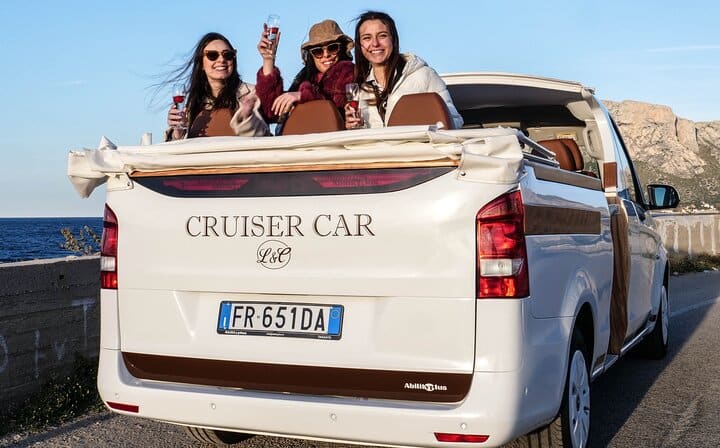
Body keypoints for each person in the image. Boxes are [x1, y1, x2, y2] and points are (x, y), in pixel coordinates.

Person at [345, 11, 463, 130]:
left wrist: (423, 129)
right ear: (360, 45)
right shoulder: (362, 88)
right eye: (367, 38)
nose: (375, 43)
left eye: (382, 35)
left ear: (393, 39)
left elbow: (454, 120)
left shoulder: (423, 75)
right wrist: (356, 127)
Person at [165, 32, 269, 141]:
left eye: (227, 55)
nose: (221, 60)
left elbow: (264, 138)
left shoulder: (252, 94)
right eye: (212, 55)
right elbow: (180, 150)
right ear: (201, 64)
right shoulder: (192, 104)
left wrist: (246, 119)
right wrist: (178, 131)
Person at [256, 19, 355, 125]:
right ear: (311, 55)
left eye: (332, 48)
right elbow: (271, 112)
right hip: (299, 139)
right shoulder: (305, 78)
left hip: (332, 139)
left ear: (341, 49)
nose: (326, 55)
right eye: (317, 51)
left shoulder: (348, 71)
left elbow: (337, 107)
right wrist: (268, 60)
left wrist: (303, 95)